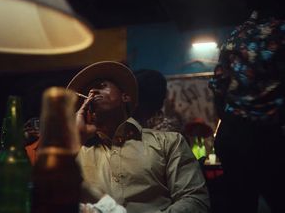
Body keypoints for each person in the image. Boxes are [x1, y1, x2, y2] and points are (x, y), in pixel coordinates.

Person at [209, 11, 285, 213]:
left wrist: (231, 123)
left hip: (231, 134)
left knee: (241, 204)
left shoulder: (236, 34)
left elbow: (217, 88)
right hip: (262, 136)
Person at [68, 61, 210, 213]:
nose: (91, 93)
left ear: (125, 97)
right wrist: (74, 140)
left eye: (101, 85)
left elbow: (195, 200)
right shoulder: (75, 150)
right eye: (87, 92)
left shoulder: (169, 142)